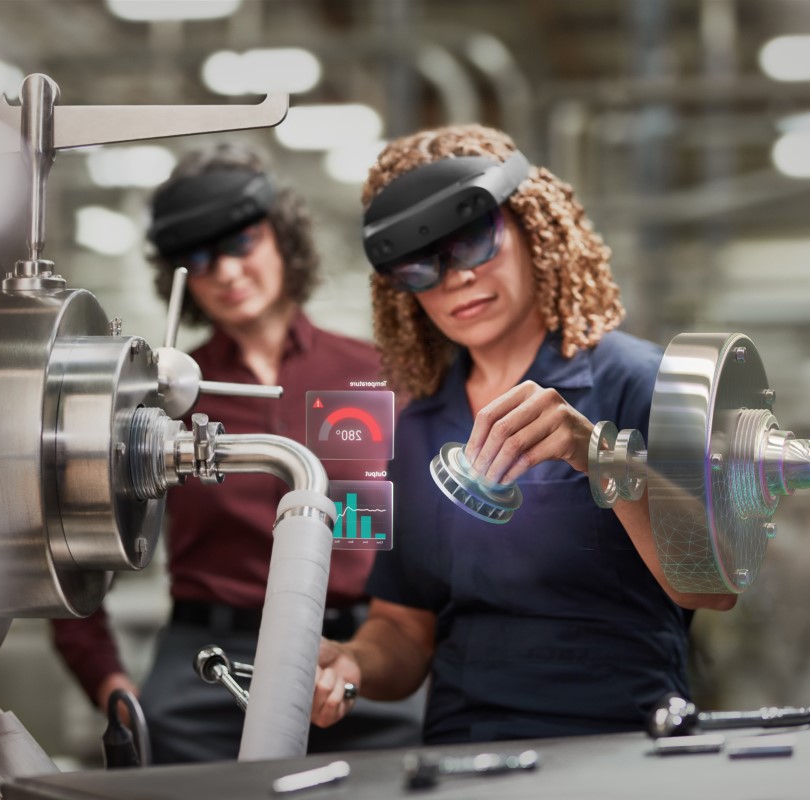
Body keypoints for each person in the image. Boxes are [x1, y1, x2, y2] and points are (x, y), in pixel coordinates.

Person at [311, 124, 737, 745]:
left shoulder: (640, 384)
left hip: (623, 738)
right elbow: (404, 628)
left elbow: (711, 588)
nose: (452, 278)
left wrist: (597, 457)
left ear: (531, 228)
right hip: (465, 747)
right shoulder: (419, 424)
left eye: (472, 241)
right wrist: (353, 664)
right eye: (419, 265)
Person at [52, 143, 422, 762]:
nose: (223, 271)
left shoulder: (378, 375)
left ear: (283, 238)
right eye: (196, 258)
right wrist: (110, 683)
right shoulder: (157, 397)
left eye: (240, 243)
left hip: (360, 663)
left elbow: (431, 545)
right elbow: (70, 541)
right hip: (209, 668)